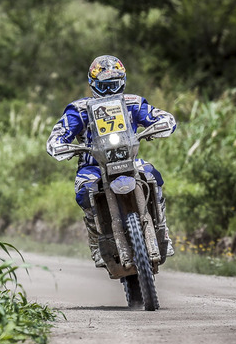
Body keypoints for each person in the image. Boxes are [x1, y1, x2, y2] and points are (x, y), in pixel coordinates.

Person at [46, 55, 176, 267]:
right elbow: (59, 134)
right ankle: (97, 242)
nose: (109, 92)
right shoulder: (78, 110)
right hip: (93, 167)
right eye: (104, 86)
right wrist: (59, 145)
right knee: (84, 190)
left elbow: (160, 116)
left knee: (153, 176)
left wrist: (162, 124)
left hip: (129, 159)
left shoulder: (133, 103)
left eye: (114, 85)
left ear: (123, 83)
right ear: (93, 85)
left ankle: (163, 231)